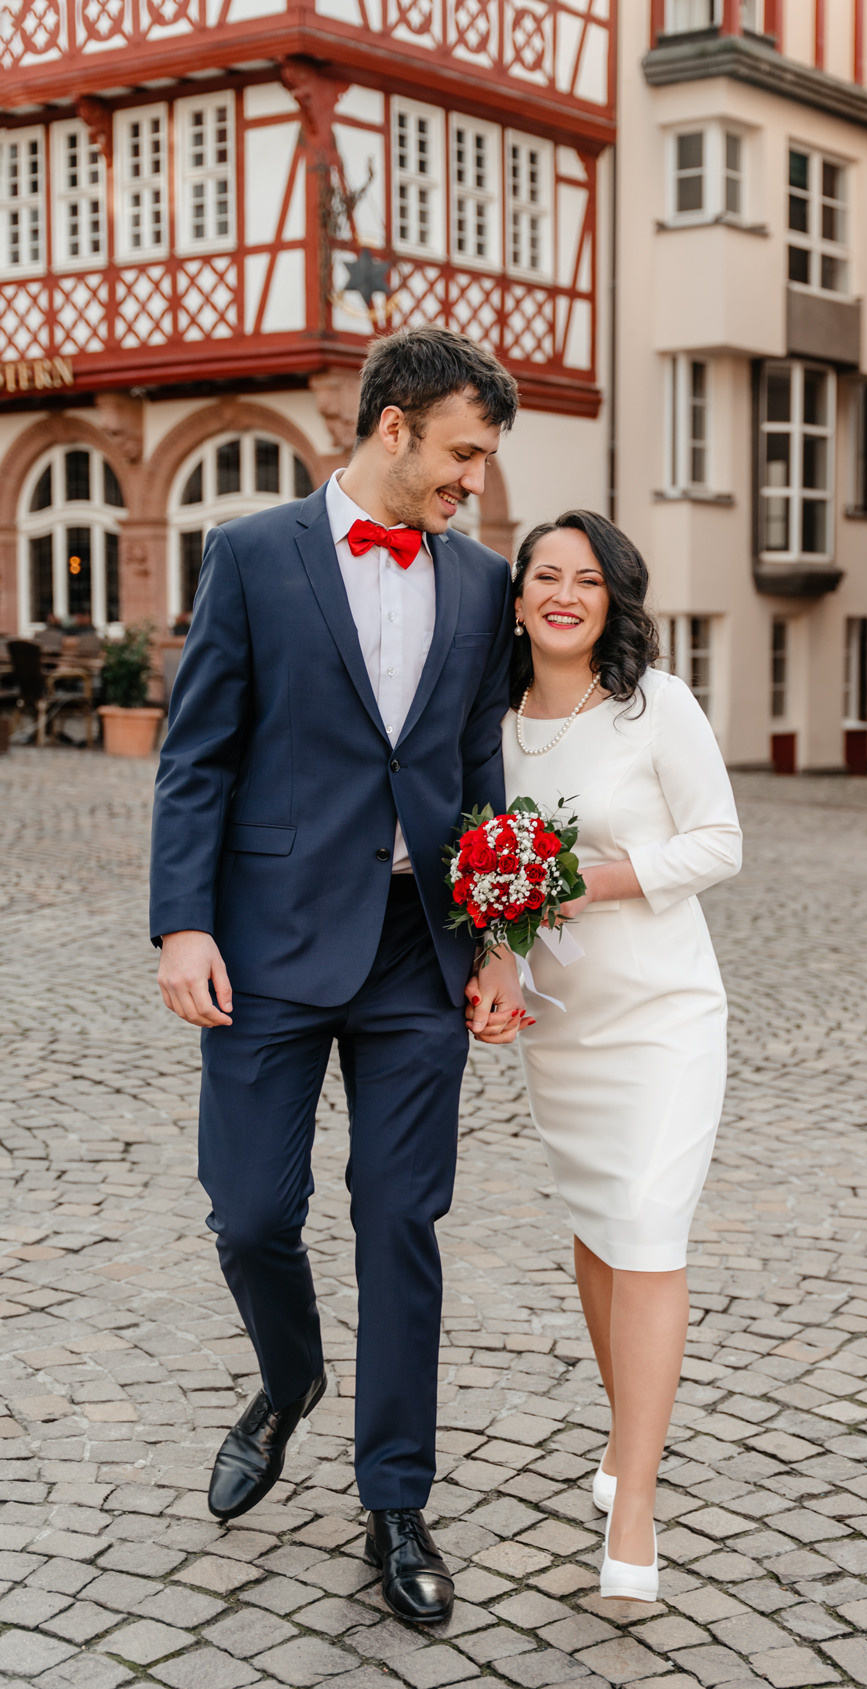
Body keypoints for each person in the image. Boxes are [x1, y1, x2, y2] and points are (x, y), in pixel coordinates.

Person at [150, 327, 528, 1626]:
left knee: (397, 1220)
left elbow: (484, 778)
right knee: (249, 1210)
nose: (472, 481)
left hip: (416, 953)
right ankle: (287, 1376)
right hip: (261, 945)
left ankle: (395, 1498)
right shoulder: (252, 556)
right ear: (393, 427)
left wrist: (499, 945)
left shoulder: (480, 587)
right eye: (464, 452)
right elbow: (196, 756)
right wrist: (180, 924)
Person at [501, 511, 742, 1602]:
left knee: (645, 1226)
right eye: (543, 575)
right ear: (516, 601)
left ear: (611, 601)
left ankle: (634, 1493)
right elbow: (484, 881)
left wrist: (583, 879)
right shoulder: (493, 726)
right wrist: (499, 962)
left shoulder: (657, 706)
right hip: (565, 1024)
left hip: (661, 1015)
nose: (563, 593)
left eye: (585, 579)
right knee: (600, 1230)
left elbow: (718, 843)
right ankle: (620, 1434)